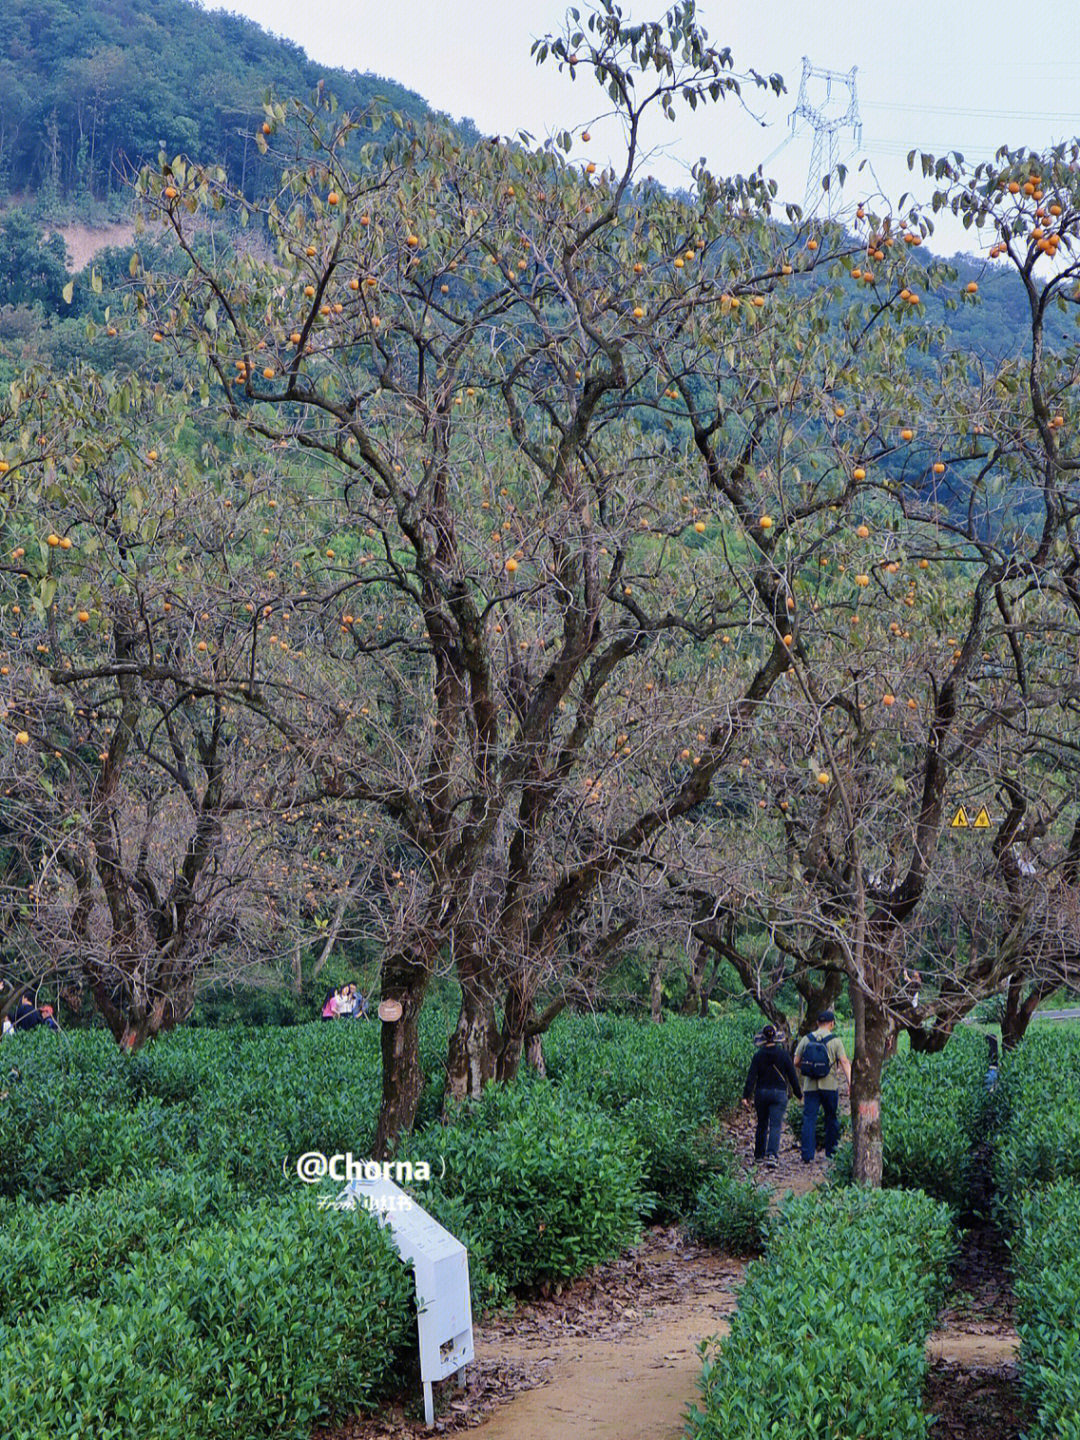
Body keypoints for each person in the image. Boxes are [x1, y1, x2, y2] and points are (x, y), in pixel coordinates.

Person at [794, 1010, 852, 1164]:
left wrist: (809, 1069)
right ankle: (831, 1153)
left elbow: (796, 1061)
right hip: (830, 1085)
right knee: (831, 1118)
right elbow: (845, 1062)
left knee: (809, 1119)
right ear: (832, 1023)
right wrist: (850, 1083)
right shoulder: (836, 1041)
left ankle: (807, 1155)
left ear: (817, 1023)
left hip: (810, 1086)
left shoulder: (807, 1039)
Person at [742, 1023, 802, 1167]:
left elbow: (751, 1077)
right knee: (775, 1125)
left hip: (761, 1094)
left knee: (762, 1124)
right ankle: (772, 1156)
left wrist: (746, 1096)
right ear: (775, 1037)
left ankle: (758, 1156)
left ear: (762, 1038)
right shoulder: (783, 1055)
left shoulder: (758, 1056)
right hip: (779, 1093)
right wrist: (799, 1094)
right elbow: (792, 1076)